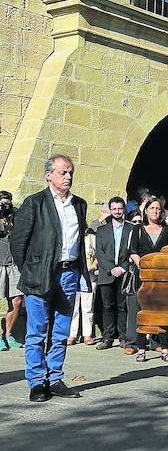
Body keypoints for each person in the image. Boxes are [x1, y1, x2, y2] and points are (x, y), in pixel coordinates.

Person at [9, 155, 87, 401]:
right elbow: (17, 242)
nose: (68, 177)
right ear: (49, 175)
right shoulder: (35, 203)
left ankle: (55, 377)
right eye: (63, 172)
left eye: (71, 172)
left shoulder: (79, 204)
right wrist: (31, 269)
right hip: (40, 274)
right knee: (37, 331)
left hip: (69, 273)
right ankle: (36, 381)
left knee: (62, 330)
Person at [131, 197, 168, 362]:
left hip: (162, 278)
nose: (156, 211)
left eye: (158, 209)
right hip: (143, 276)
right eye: (152, 208)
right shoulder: (138, 229)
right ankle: (141, 348)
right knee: (142, 311)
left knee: (161, 312)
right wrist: (143, 266)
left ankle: (164, 348)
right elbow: (133, 251)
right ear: (146, 211)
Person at [95, 197, 136, 352]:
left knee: (122, 306)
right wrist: (111, 268)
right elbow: (100, 252)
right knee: (107, 306)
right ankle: (107, 337)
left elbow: (133, 251)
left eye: (120, 208)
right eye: (114, 209)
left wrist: (123, 268)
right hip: (107, 273)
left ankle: (123, 337)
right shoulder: (102, 230)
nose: (117, 211)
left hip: (125, 273)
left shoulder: (131, 228)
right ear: (110, 210)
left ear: (124, 209)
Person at [0, 191, 24, 351]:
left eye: (7, 203)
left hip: (14, 263)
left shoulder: (16, 216)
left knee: (17, 301)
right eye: (2, 204)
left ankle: (7, 335)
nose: (5, 206)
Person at [67, 221, 97, 347]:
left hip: (88, 274)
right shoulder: (70, 237)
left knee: (87, 306)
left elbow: (98, 253)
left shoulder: (91, 237)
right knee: (73, 306)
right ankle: (72, 334)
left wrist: (95, 264)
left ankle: (87, 334)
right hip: (73, 273)